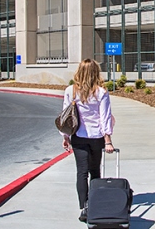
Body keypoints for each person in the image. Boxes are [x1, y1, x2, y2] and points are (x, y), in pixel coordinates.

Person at [59, 59, 115, 223]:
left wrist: (65, 136)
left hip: (78, 136)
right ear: (96, 72)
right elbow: (105, 118)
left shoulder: (70, 90)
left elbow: (66, 115)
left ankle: (84, 207)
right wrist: (108, 140)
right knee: (95, 171)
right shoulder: (101, 92)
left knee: (81, 172)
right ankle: (94, 204)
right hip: (96, 137)